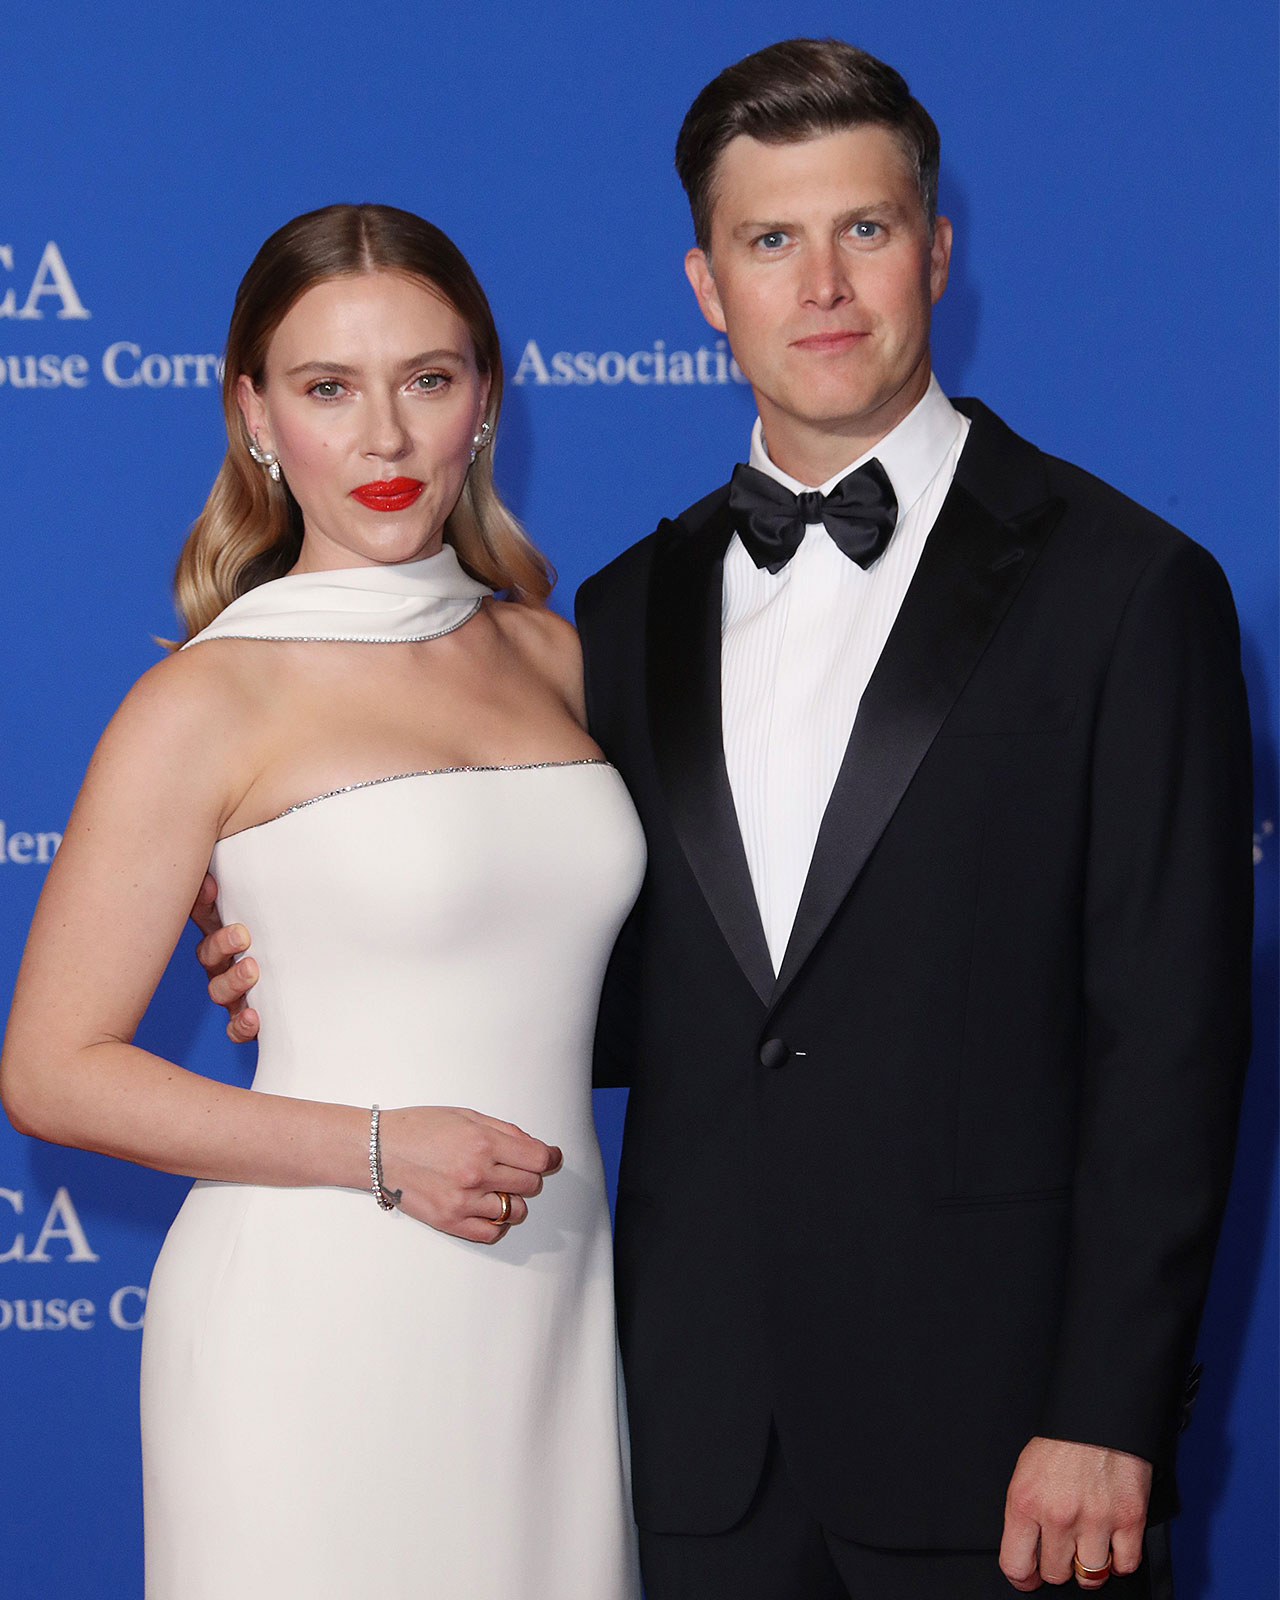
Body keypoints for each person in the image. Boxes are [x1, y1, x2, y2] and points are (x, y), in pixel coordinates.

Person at [197, 41, 1253, 1600]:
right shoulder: (625, 612)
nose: (822, 286)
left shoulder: (1129, 586)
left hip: (1008, 1447)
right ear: (706, 284)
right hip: (687, 1446)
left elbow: (1173, 1036)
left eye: (864, 229)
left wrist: (1109, 1409)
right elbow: (633, 989)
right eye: (770, 241)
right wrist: (340, 953)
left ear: (936, 250)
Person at [1, 203, 642, 1600]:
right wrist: (377, 1147)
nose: (386, 438)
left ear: (486, 398)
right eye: (329, 388)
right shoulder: (206, 700)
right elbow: (51, 1071)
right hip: (317, 1310)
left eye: (428, 378)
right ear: (255, 415)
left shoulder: (550, 654)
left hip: (550, 1304)